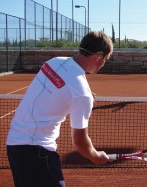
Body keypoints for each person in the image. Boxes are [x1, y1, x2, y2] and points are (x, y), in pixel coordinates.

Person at [6, 31, 113, 187]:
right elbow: (80, 142)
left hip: (14, 146)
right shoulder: (81, 93)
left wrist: (80, 99)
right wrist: (95, 156)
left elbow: (55, 95)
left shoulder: (53, 63)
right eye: (106, 59)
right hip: (38, 152)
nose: (104, 63)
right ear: (98, 56)